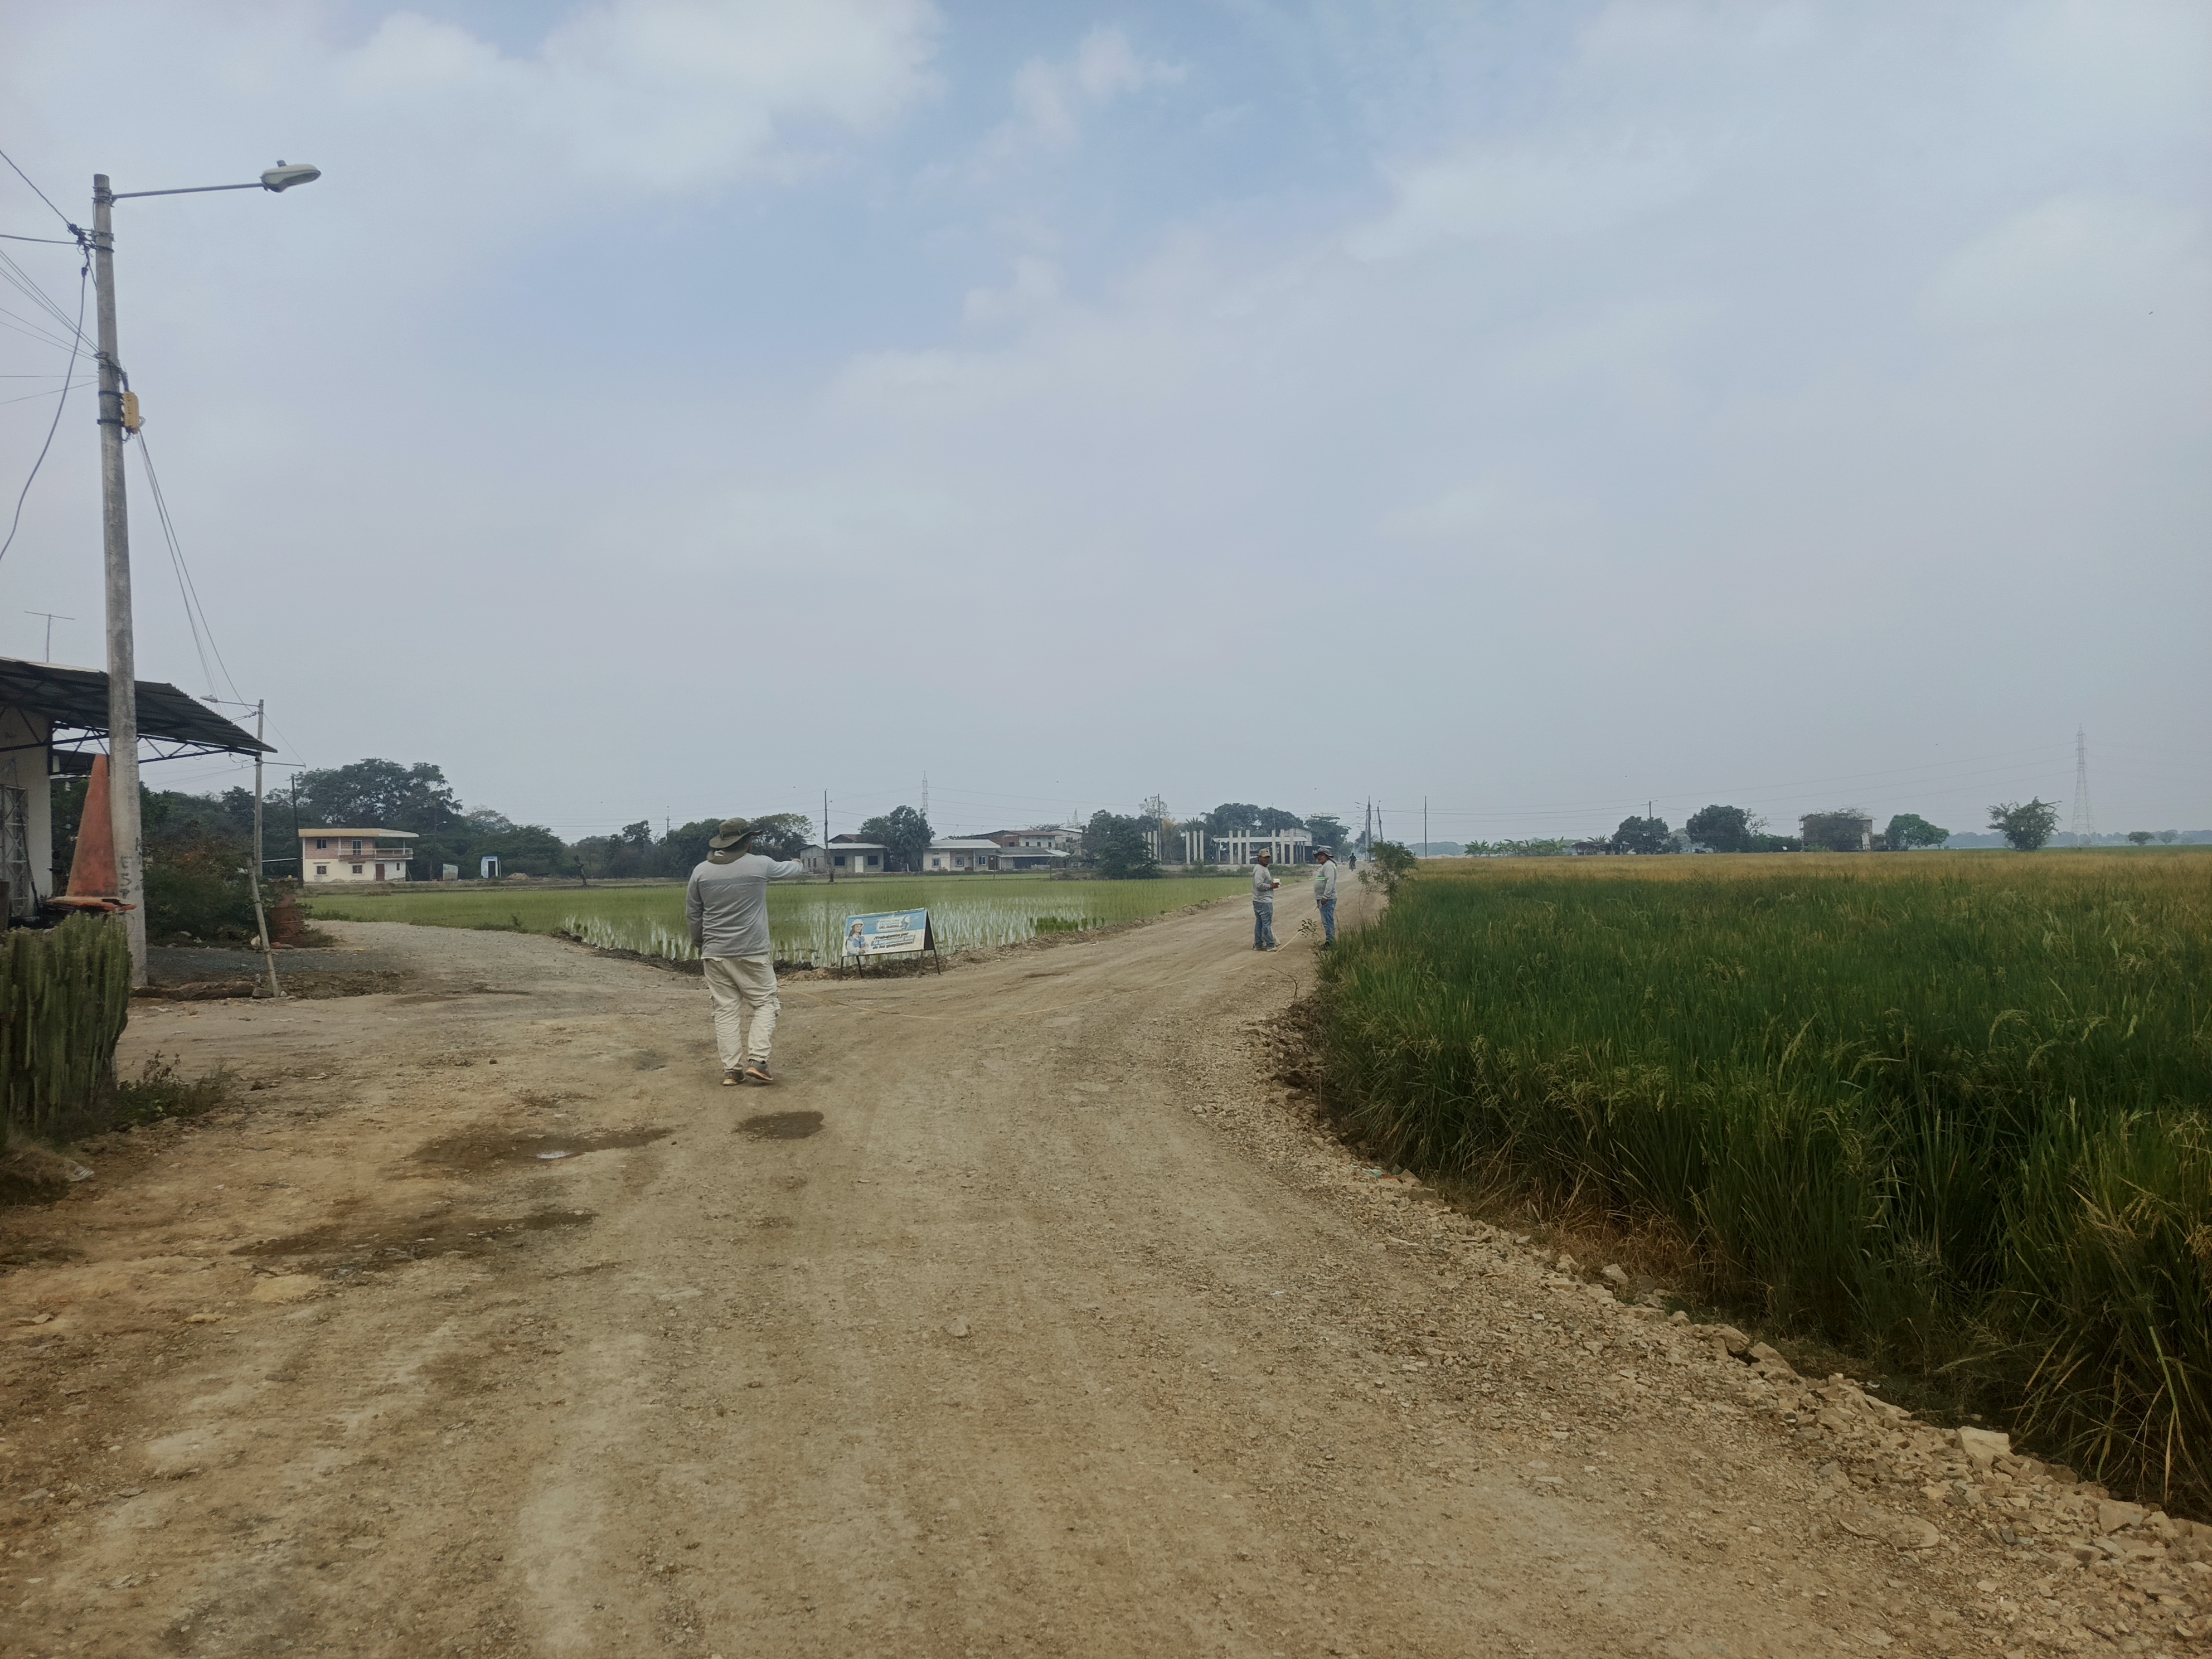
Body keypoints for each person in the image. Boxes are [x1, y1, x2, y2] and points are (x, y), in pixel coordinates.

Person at [685, 817, 806, 1085]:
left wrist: (701, 943)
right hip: (752, 952)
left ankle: (732, 1071)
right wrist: (798, 862)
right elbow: (791, 870)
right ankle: (758, 1060)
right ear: (746, 841)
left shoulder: (701, 871)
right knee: (766, 1003)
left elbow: (694, 914)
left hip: (714, 953)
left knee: (725, 1010)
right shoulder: (760, 864)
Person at [1251, 849, 1280, 950]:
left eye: (1268, 857)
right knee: (1266, 924)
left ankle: (1258, 944)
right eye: (1264, 857)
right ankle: (1270, 945)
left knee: (1259, 924)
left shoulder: (1262, 868)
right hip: (1264, 900)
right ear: (1259, 858)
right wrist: (1271, 886)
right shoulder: (1260, 870)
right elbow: (1259, 885)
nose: (1267, 859)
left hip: (1259, 900)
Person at [1312, 845, 1338, 946]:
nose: (1319, 857)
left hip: (1328, 899)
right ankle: (1330, 940)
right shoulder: (1326, 866)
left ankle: (1330, 942)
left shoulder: (1328, 866)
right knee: (1327, 920)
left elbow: (1330, 882)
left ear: (1327, 856)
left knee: (1327, 921)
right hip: (1323, 898)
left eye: (1322, 855)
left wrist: (1325, 897)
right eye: (1318, 855)